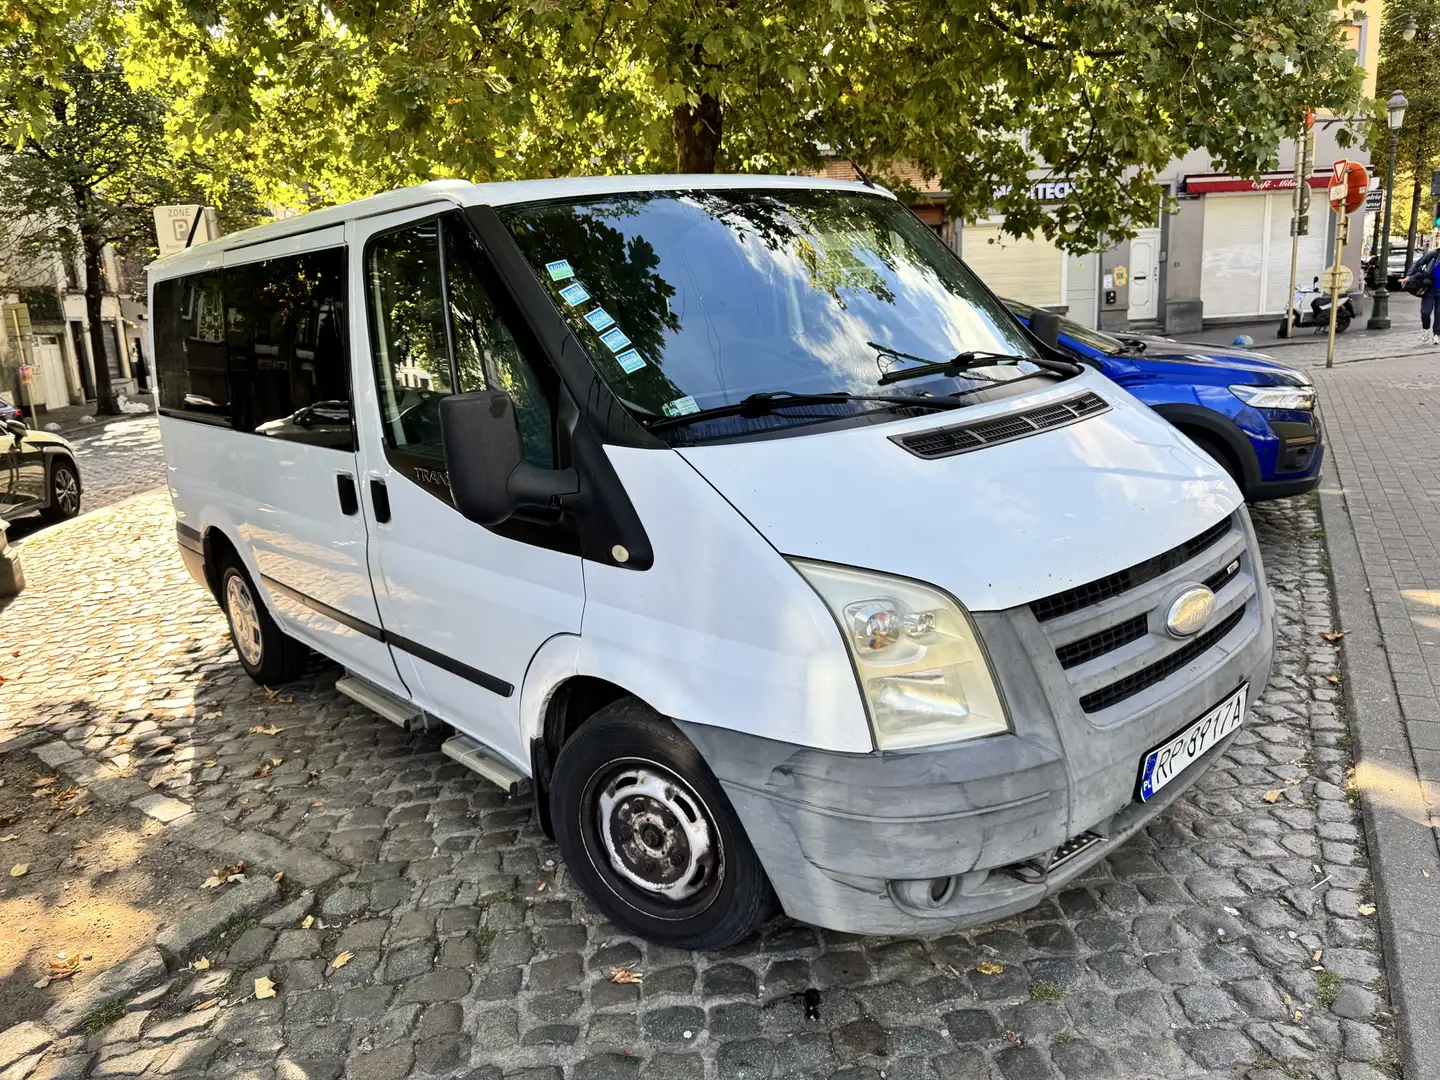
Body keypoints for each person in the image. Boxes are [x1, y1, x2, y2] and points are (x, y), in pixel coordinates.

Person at [1401, 246, 1440, 345]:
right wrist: (1408, 276)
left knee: (1439, 314)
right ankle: (1426, 328)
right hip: (1430, 289)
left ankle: (1436, 334)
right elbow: (1418, 263)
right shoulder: (1434, 254)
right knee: (1425, 312)